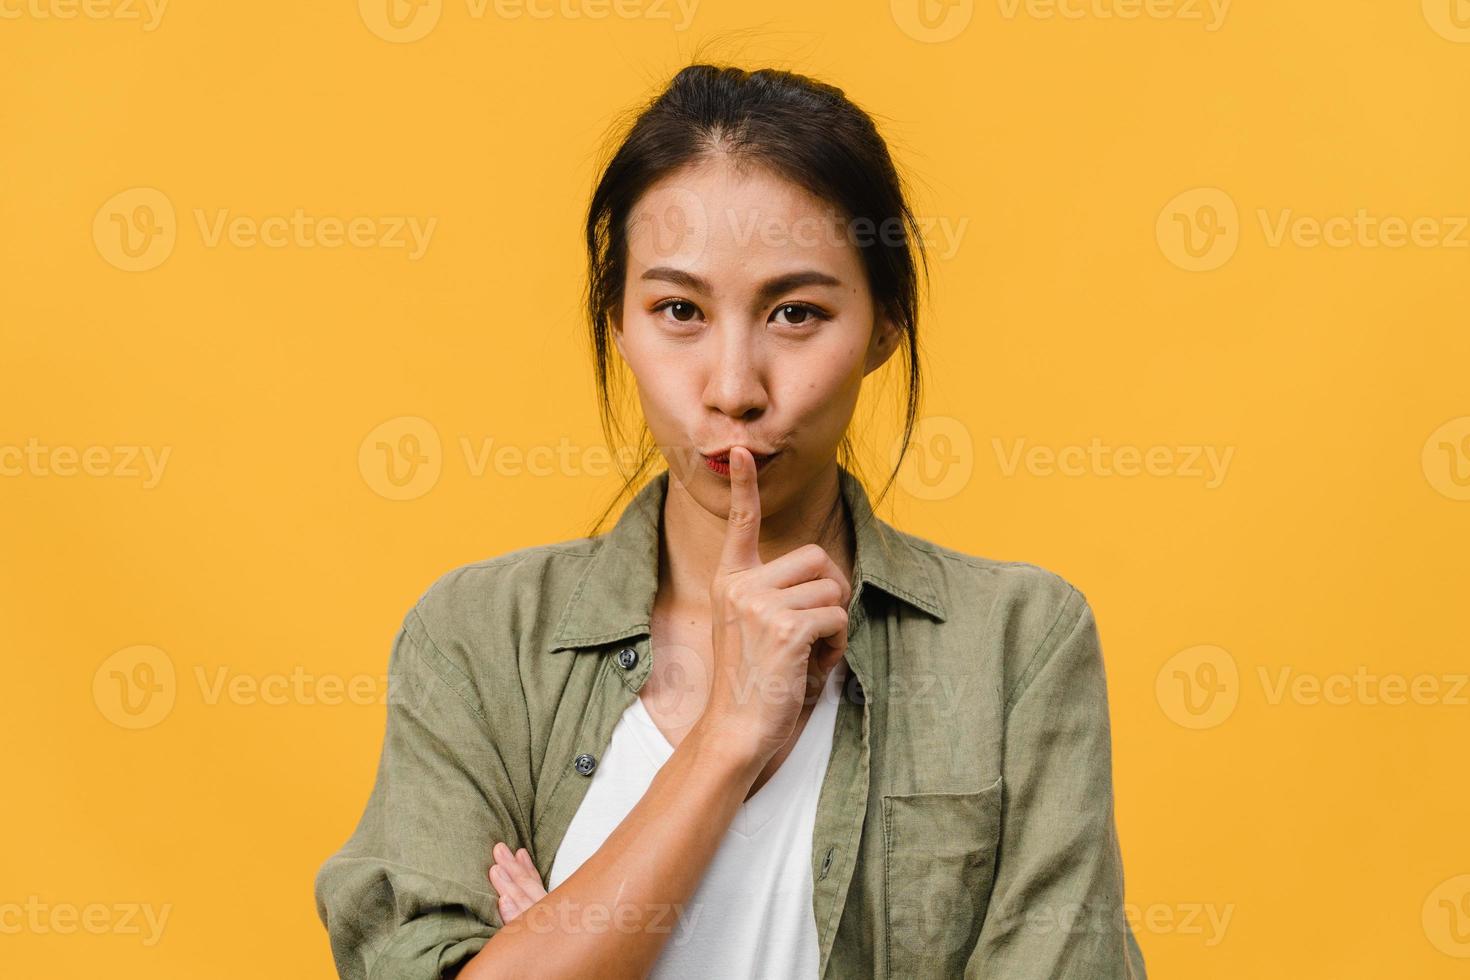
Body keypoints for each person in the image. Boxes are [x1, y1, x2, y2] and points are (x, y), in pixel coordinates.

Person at [314, 63, 1148, 979]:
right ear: (618, 323)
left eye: (796, 313)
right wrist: (726, 739)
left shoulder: (1016, 643)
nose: (733, 388)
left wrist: (565, 939)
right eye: (679, 311)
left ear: (885, 326)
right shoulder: (481, 638)